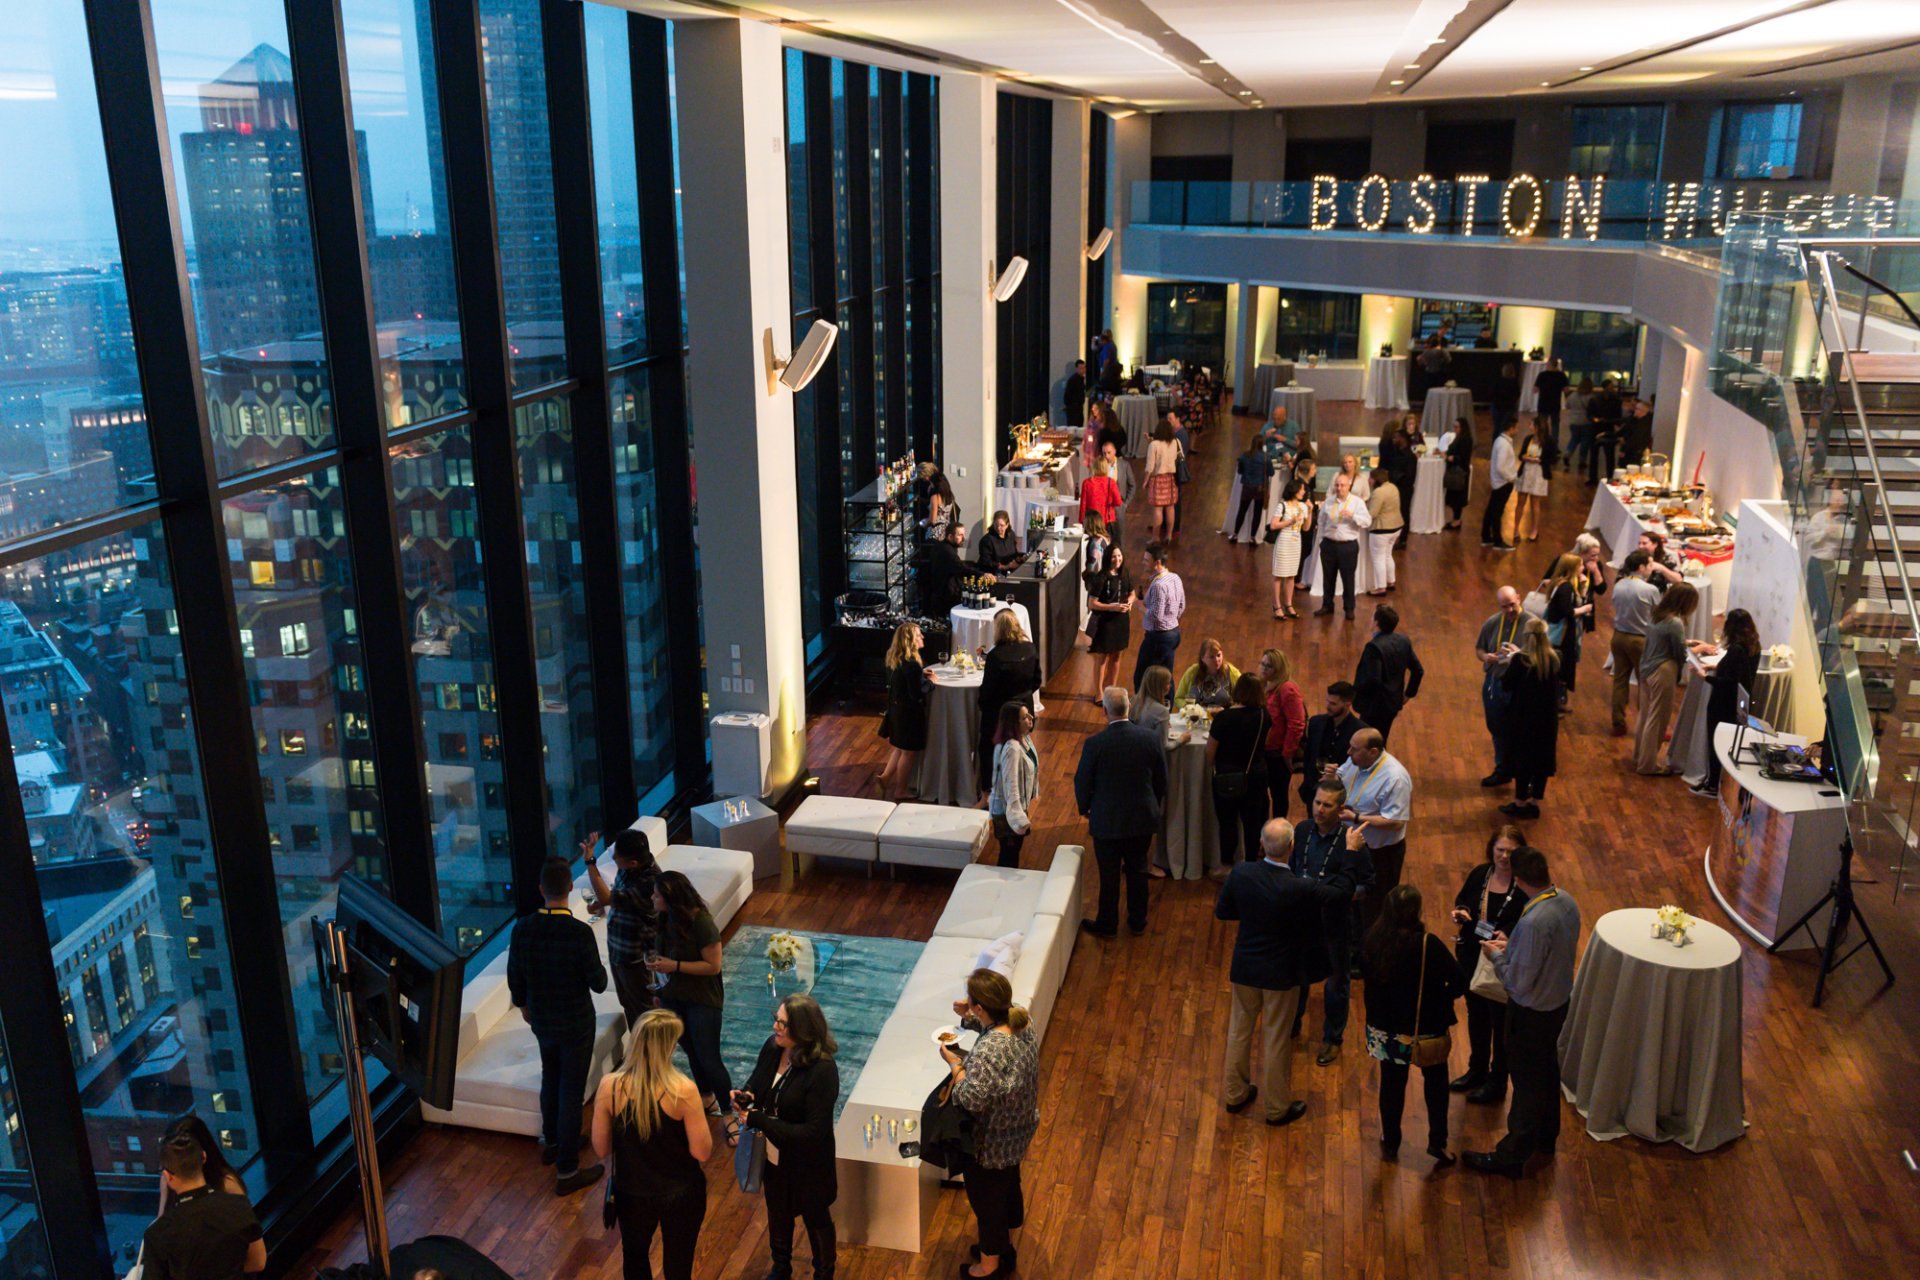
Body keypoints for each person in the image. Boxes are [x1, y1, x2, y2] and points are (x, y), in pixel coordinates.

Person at [1214, 818, 1349, 1127]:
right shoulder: (1299, 887)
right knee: (1275, 1039)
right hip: (1281, 974)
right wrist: (1352, 853)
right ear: (1292, 846)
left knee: (1238, 1031)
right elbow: (1339, 896)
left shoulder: (1242, 873)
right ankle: (1276, 1108)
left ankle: (1235, 1094)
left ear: (1261, 844)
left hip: (1245, 967)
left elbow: (1224, 911)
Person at [1465, 847, 1581, 1180]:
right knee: (1547, 1073)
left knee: (1527, 1084)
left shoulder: (1532, 922)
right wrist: (1512, 947)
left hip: (1530, 1013)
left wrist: (1496, 957)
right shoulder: (1566, 901)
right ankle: (1546, 1138)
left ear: (1518, 880)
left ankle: (1512, 1155)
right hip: (1556, 1004)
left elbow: (1517, 982)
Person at [508, 857, 608, 1192]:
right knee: (571, 1091)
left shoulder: (522, 928)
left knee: (550, 1079)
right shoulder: (579, 933)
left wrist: (524, 1006)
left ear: (541, 889)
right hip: (576, 1022)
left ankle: (552, 1143)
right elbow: (599, 983)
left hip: (541, 1019)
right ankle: (567, 1170)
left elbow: (514, 977)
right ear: (570, 888)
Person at [591, 1008, 713, 1280]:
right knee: (678, 1263)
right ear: (668, 1047)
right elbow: (702, 1152)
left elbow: (601, 1149)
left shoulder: (610, 1086)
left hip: (632, 1192)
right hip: (680, 1192)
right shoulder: (683, 1090)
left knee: (634, 1259)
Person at [944, 970, 1041, 1279]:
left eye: (972, 1003)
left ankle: (989, 1268)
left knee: (988, 1204)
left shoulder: (990, 1050)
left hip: (991, 1142)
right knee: (1006, 1188)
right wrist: (969, 1016)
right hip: (1018, 1129)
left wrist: (955, 1065)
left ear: (980, 1006)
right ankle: (1003, 1249)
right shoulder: (1022, 1020)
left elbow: (971, 1098)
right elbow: (994, 1030)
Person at [735, 995, 840, 1279]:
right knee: (778, 1212)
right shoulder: (773, 1047)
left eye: (783, 1023)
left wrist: (760, 1120)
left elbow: (813, 1132)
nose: (775, 1027)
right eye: (776, 1019)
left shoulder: (822, 1069)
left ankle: (824, 1273)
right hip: (774, 1156)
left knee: (816, 1218)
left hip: (809, 1164)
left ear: (803, 1029)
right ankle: (780, 1268)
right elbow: (757, 1081)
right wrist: (746, 1095)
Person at [1362, 884, 1465, 1165]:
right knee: (1436, 1084)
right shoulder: (1427, 944)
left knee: (1391, 1086)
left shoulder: (1372, 940)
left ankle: (1391, 1141)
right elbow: (1459, 980)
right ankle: (1437, 1143)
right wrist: (1442, 996)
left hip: (1386, 1030)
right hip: (1426, 1027)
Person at [648, 870, 734, 1146]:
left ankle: (729, 1113)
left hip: (702, 998)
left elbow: (713, 966)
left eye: (657, 895)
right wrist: (659, 989)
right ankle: (706, 1096)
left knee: (709, 1056)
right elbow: (662, 957)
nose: (653, 898)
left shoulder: (702, 923)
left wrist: (674, 966)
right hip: (673, 997)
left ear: (671, 898)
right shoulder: (664, 920)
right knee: (691, 1050)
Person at [1290, 781, 1373, 1063]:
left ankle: (1332, 1038)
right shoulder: (1302, 830)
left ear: (1340, 809)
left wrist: (1339, 894)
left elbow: (1367, 883)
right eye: (1317, 802)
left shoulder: (1352, 842)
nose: (1320, 810)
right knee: (1298, 975)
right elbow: (1294, 866)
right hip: (1302, 919)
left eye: (1327, 805)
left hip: (1335, 922)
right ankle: (1293, 1023)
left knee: (1336, 983)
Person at [1074, 687, 1168, 938]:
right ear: (1129, 708)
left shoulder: (1095, 744)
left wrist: (1085, 808)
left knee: (1109, 875)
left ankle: (1108, 924)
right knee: (1138, 869)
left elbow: (1082, 781)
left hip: (1107, 820)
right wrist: (1152, 804)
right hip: (1142, 818)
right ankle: (1137, 921)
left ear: (1105, 711)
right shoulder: (1150, 739)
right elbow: (1161, 779)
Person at [1449, 824, 1528, 1105]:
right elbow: (1463, 899)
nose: (1504, 856)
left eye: (1511, 851)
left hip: (1502, 961)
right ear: (1492, 850)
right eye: (1500, 850)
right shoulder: (1481, 874)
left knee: (1500, 1023)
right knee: (1477, 1016)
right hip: (1473, 954)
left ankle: (1497, 1082)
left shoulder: (1523, 885)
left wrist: (1508, 932)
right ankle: (1477, 1070)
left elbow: (1527, 920)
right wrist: (1461, 911)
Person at [140, 1131, 266, 1279]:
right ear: (204, 1157)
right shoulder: (239, 1205)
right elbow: (258, 1263)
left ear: (168, 1176)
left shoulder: (158, 1232)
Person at [585, 828, 659, 1043]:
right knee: (628, 1003)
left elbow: (609, 897)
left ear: (633, 862)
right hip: (619, 950)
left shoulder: (650, 882)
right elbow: (616, 899)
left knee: (644, 1010)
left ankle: (652, 1053)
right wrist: (598, 906)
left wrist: (590, 862)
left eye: (617, 858)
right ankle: (638, 1049)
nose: (614, 860)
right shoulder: (630, 870)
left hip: (636, 957)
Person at [1336, 728, 1412, 937]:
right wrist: (1331, 775)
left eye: (1354, 749)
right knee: (1350, 896)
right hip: (1353, 844)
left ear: (1373, 752)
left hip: (1380, 854)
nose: (1348, 752)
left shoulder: (1395, 778)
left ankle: (1371, 945)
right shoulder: (1356, 761)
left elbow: (1395, 821)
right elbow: (1341, 774)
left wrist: (1356, 817)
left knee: (1374, 906)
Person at [1635, 581, 1707, 775]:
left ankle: (1640, 757)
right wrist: (1699, 648)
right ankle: (1648, 765)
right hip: (1663, 670)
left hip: (1646, 667)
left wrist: (1688, 642)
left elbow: (1663, 640)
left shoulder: (1657, 614)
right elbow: (1680, 653)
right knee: (1657, 719)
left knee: (1645, 715)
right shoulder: (1675, 622)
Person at [1695, 608, 1761, 798]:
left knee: (1715, 742)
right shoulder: (1754, 646)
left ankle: (1713, 784)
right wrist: (1715, 666)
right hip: (1738, 703)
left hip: (1722, 702)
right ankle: (1719, 783)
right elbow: (1738, 672)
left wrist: (1705, 676)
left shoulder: (1736, 649)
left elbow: (1729, 682)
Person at [1207, 673, 1270, 872]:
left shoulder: (1224, 718)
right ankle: (1251, 864)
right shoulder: (1264, 715)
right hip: (1256, 776)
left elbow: (1210, 753)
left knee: (1227, 823)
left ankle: (1226, 864)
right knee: (1252, 823)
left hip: (1227, 776)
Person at [1474, 586, 1536, 787]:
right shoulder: (1492, 622)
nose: (1509, 610)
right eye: (1504, 607)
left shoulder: (1533, 625)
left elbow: (1542, 656)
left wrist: (1518, 655)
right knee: (1497, 728)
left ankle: (1523, 775)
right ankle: (1502, 770)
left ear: (1519, 598)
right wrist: (1486, 657)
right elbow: (1479, 649)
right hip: (1495, 682)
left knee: (1520, 731)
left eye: (1512, 605)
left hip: (1520, 686)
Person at [1499, 617, 1560, 819]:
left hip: (1523, 719)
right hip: (1547, 721)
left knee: (1522, 760)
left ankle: (1519, 802)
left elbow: (1506, 684)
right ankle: (1534, 802)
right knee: (1541, 761)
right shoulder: (1554, 658)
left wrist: (1511, 660)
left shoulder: (1520, 660)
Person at [976, 609, 1041, 796]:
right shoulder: (1030, 649)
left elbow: (987, 691)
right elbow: (1037, 681)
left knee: (987, 749)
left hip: (1000, 714)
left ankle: (988, 793)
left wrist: (981, 705)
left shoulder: (995, 656)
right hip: (1024, 711)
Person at [1352, 604, 1423, 745]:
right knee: (1381, 739)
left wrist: (1355, 693)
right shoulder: (1403, 641)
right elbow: (1418, 670)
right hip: (1393, 703)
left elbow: (1373, 679)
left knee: (1367, 744)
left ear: (1376, 623)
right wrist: (1408, 694)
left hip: (1374, 706)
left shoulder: (1374, 647)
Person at [1608, 550, 1660, 735]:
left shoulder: (1619, 584)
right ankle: (1646, 725)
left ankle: (1618, 721)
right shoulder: (1650, 589)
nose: (1652, 568)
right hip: (1640, 640)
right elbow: (1658, 614)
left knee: (1620, 680)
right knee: (1645, 684)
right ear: (1641, 567)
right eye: (1650, 564)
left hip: (1618, 636)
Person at [878, 622, 929, 800]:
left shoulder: (894, 658)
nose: (922, 637)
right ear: (910, 640)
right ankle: (900, 790)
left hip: (896, 711)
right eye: (919, 635)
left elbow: (902, 682)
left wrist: (921, 676)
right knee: (908, 752)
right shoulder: (912, 664)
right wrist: (930, 683)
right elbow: (916, 694)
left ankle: (885, 778)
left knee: (899, 748)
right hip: (909, 715)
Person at [1298, 681, 1367, 807]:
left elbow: (1362, 767)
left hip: (1342, 795)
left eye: (1333, 703)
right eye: (1327, 701)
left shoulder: (1360, 731)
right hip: (1314, 791)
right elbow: (1308, 756)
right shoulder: (1315, 722)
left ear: (1347, 704)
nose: (1327, 706)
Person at [1313, 471, 1371, 619]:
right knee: (1328, 577)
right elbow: (1321, 521)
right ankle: (1327, 605)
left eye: (1342, 485)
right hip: (1329, 544)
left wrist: (1352, 516)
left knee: (1348, 578)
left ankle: (1349, 608)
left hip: (1347, 546)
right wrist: (1322, 541)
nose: (1339, 488)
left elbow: (1367, 521)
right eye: (1337, 485)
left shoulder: (1357, 502)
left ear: (1349, 486)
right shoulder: (1329, 501)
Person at [1257, 648, 1306, 821]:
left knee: (1278, 796)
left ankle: (1279, 829)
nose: (1263, 668)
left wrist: (1287, 753)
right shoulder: (1263, 685)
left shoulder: (1287, 689)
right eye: (1262, 664)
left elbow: (1296, 724)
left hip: (1278, 754)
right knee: (1261, 795)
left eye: (1269, 666)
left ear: (1278, 669)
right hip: (1263, 751)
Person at [988, 701, 1040, 867]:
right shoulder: (1012, 748)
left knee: (1013, 852)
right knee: (1009, 855)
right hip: (1008, 811)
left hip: (1015, 806)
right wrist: (1018, 816)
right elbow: (1011, 785)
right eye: (1025, 717)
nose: (1031, 718)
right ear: (1013, 723)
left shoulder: (1025, 739)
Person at [1541, 552, 1594, 709]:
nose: (1583, 568)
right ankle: (1556, 702)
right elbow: (1567, 611)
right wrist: (1584, 609)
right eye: (1580, 565)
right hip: (1563, 636)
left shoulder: (1558, 583)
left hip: (1558, 632)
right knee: (1562, 667)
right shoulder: (1566, 587)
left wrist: (1582, 589)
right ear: (1572, 568)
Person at [1084, 544, 1134, 699]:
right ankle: (1099, 693)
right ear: (1107, 557)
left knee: (1117, 656)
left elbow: (1132, 593)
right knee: (1102, 658)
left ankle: (1112, 688)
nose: (1117, 559)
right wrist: (1112, 607)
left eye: (1119, 556)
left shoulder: (1125, 573)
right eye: (1113, 556)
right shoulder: (1101, 577)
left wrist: (1129, 602)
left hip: (1121, 621)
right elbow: (1092, 603)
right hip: (1105, 623)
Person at [1133, 541, 1185, 690]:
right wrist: (1171, 619)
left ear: (1156, 563)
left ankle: (1143, 702)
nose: (1143, 563)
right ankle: (1167, 703)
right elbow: (1182, 606)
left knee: (1141, 677)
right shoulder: (1175, 577)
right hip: (1173, 633)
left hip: (1158, 638)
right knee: (1166, 677)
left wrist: (1139, 605)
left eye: (1146, 560)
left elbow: (1156, 616)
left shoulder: (1158, 585)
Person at [1268, 477, 1313, 620]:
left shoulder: (1303, 506)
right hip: (1284, 542)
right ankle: (1277, 605)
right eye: (1302, 489)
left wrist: (1310, 511)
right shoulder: (1283, 505)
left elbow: (1306, 528)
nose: (1303, 492)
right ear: (1294, 489)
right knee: (1279, 574)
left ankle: (1288, 604)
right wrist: (1290, 521)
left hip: (1295, 543)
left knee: (1291, 575)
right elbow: (1273, 525)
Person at [920, 521, 973, 616]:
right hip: (943, 597)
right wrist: (983, 574)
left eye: (963, 535)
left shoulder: (946, 547)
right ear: (950, 537)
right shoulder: (947, 551)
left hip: (942, 593)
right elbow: (961, 568)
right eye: (960, 535)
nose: (963, 538)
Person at [1482, 419, 1519, 551]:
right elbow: (1500, 467)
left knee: (1491, 510)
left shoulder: (1499, 441)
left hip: (1498, 482)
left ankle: (1486, 537)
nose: (1517, 430)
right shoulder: (1504, 444)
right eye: (1516, 427)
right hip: (1503, 483)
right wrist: (1511, 478)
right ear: (1511, 428)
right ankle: (1497, 541)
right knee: (1497, 512)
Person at [1229, 431, 1273, 542]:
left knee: (1242, 510)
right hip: (1260, 488)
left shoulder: (1245, 455)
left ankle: (1235, 534)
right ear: (1262, 444)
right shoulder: (1266, 457)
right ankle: (1253, 537)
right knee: (1257, 513)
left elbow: (1240, 471)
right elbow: (1271, 472)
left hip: (1247, 487)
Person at [1512, 417, 1550, 543]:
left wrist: (1539, 460)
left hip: (1538, 473)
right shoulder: (1528, 439)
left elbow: (1552, 458)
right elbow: (1520, 455)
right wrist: (1524, 457)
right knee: (1520, 502)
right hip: (1526, 471)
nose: (1530, 427)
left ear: (1538, 427)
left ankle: (1534, 530)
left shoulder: (1548, 441)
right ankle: (1516, 529)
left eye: (1532, 425)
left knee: (1535, 504)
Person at [1144, 418, 1183, 542]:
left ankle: (1155, 537)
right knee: (1170, 508)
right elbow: (1181, 457)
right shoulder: (1176, 441)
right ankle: (1169, 535)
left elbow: (1150, 467)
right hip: (1171, 479)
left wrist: (1145, 481)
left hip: (1158, 480)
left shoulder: (1154, 445)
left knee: (1158, 509)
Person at [1363, 466, 1401, 592]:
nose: (1368, 480)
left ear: (1375, 479)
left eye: (1370, 478)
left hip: (1382, 529)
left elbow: (1372, 513)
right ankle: (1391, 581)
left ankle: (1380, 588)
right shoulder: (1393, 487)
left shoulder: (1378, 492)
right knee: (1388, 555)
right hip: (1396, 527)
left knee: (1378, 558)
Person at [1175, 637, 1240, 709]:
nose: (1216, 660)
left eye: (1218, 655)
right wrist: (1188, 708)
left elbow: (1242, 699)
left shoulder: (1233, 673)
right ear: (1202, 658)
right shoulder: (1192, 672)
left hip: (1224, 715)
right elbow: (1179, 698)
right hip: (1197, 714)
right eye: (1211, 657)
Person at [1584, 379, 1622, 485]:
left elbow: (1589, 414)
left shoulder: (1595, 399)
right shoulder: (1616, 400)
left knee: (1594, 455)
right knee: (1609, 456)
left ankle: (1593, 478)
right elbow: (1618, 417)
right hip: (1608, 428)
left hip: (1596, 429)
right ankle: (1610, 477)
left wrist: (1595, 419)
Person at [1442, 416, 1474, 531]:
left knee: (1457, 498)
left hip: (1460, 473)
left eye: (1457, 427)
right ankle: (1455, 519)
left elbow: (1463, 457)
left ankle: (1457, 520)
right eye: (1454, 426)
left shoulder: (1466, 440)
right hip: (1456, 472)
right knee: (1454, 497)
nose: (1455, 429)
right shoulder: (1459, 438)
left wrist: (1451, 458)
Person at [1079, 456, 1123, 541]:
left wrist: (1082, 521)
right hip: (1107, 521)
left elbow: (1083, 505)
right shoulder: (1111, 482)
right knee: (1107, 544)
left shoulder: (1087, 483)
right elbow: (1118, 502)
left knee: (1091, 545)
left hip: (1092, 522)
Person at [1534, 358, 1570, 449]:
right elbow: (1566, 390)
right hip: (1555, 404)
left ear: (1549, 365)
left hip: (1543, 403)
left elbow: (1535, 390)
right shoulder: (1561, 375)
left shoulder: (1542, 375)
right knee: (1555, 425)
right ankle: (1554, 446)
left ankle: (1542, 444)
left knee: (1542, 425)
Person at [1563, 376, 1594, 474]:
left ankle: (1568, 453)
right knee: (1585, 441)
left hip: (1574, 421)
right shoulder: (1591, 397)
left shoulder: (1573, 395)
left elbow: (1567, 406)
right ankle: (1582, 460)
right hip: (1586, 422)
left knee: (1574, 439)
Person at [923, 464, 959, 541]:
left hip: (936, 532)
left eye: (931, 483)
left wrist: (924, 524)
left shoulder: (935, 497)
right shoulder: (949, 495)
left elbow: (933, 520)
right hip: (947, 532)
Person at [1620, 395, 1655, 466]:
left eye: (1636, 409)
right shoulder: (1636, 420)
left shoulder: (1644, 424)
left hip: (1635, 455)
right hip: (1632, 452)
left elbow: (1636, 439)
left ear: (1643, 411)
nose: (1634, 410)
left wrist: (1625, 449)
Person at [1492, 362, 1521, 434]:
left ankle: (1496, 440)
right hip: (1508, 407)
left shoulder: (1498, 380)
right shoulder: (1514, 382)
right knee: (1505, 428)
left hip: (1497, 406)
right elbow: (1517, 394)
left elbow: (1493, 393)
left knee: (1497, 427)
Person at [1063, 359, 1087, 429]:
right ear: (1076, 369)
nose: (1083, 370)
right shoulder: (1073, 380)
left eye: (1084, 368)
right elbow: (1067, 396)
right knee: (1074, 428)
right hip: (1074, 410)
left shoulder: (1080, 379)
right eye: (1081, 368)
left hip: (1078, 409)